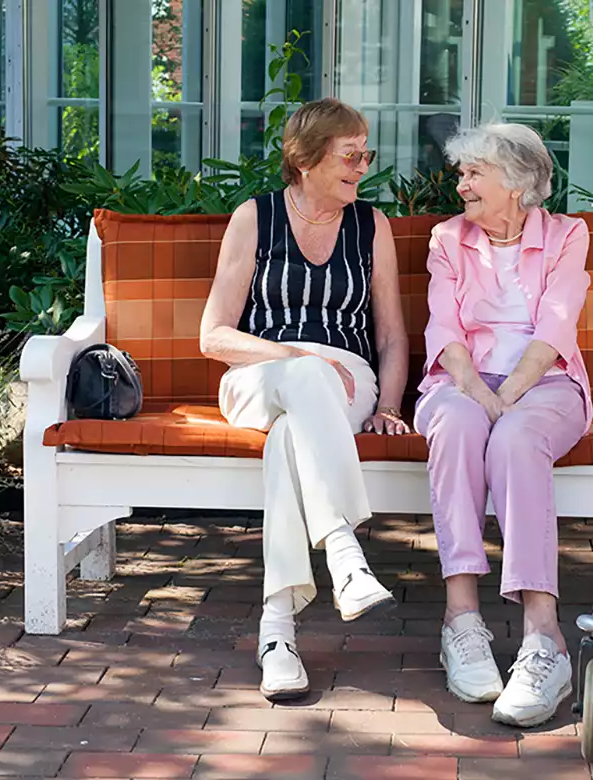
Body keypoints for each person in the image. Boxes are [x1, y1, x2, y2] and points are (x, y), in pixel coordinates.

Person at [199, 98, 411, 702]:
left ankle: (277, 634)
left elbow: (392, 335)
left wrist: (388, 406)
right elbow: (213, 336)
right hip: (259, 374)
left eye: (366, 153)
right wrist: (297, 359)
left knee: (292, 440)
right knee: (304, 384)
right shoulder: (254, 218)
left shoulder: (371, 226)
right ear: (308, 157)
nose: (363, 165)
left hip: (346, 381)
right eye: (352, 154)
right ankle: (343, 548)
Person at [413, 122, 593, 728]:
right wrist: (478, 396)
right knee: (459, 429)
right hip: (460, 384)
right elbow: (446, 331)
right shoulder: (447, 238)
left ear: (516, 184)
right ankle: (461, 622)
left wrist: (509, 398)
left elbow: (556, 327)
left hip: (546, 383)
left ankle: (546, 642)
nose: (460, 184)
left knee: (517, 438)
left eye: (472, 174)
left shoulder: (569, 235)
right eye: (462, 172)